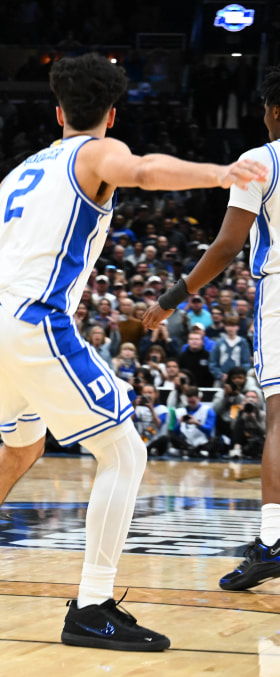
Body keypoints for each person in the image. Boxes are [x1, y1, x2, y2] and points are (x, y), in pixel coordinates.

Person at [0, 52, 266, 652]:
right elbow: (143, 170)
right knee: (125, 452)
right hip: (32, 321)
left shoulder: (21, 171)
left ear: (58, 112)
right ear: (111, 113)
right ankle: (93, 607)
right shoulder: (96, 153)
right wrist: (220, 173)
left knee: (21, 448)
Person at [144, 65, 280, 591]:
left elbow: (226, 246)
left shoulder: (261, 160)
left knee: (278, 420)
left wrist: (173, 298)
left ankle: (273, 540)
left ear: (273, 110)